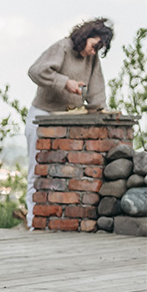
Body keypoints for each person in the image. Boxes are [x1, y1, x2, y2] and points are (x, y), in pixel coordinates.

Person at [24, 18, 114, 227]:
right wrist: (65, 83)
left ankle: (56, 223)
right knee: (36, 170)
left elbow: (97, 90)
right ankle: (32, 222)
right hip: (43, 115)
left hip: (67, 123)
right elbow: (36, 71)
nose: (94, 52)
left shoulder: (92, 59)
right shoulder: (62, 48)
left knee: (63, 173)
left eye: (99, 49)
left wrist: (100, 114)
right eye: (94, 46)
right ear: (85, 37)